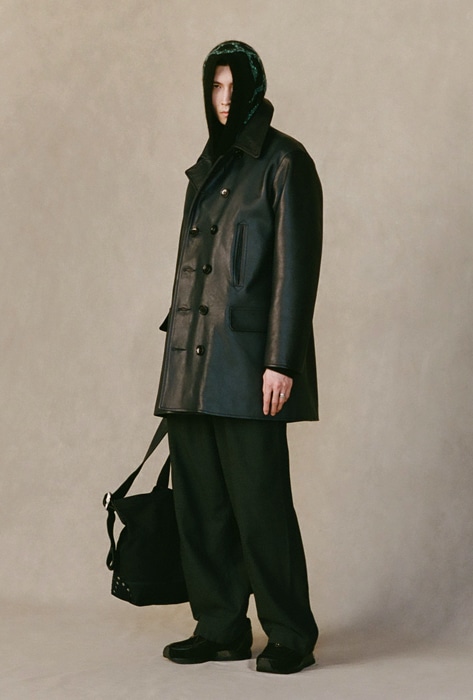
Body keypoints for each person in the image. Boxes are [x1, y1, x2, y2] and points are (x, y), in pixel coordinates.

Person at [154, 40, 323, 675]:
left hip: (250, 367)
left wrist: (281, 361)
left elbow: (295, 271)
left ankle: (290, 633)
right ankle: (220, 627)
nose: (224, 100)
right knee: (200, 506)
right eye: (215, 87)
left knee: (261, 507)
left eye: (234, 88)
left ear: (254, 90)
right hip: (190, 365)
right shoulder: (207, 167)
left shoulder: (285, 162)